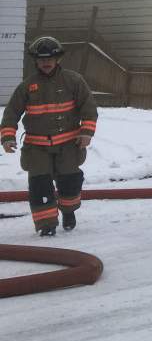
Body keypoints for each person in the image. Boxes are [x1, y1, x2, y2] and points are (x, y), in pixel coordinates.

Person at [1, 36, 98, 236]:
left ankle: (69, 212)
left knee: (69, 183)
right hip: (37, 149)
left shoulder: (73, 81)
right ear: (36, 61)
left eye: (50, 59)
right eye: (42, 59)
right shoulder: (27, 86)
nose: (46, 63)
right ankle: (46, 224)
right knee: (40, 185)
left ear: (58, 59)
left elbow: (89, 109)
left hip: (69, 146)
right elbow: (11, 113)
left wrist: (86, 133)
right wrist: (7, 137)